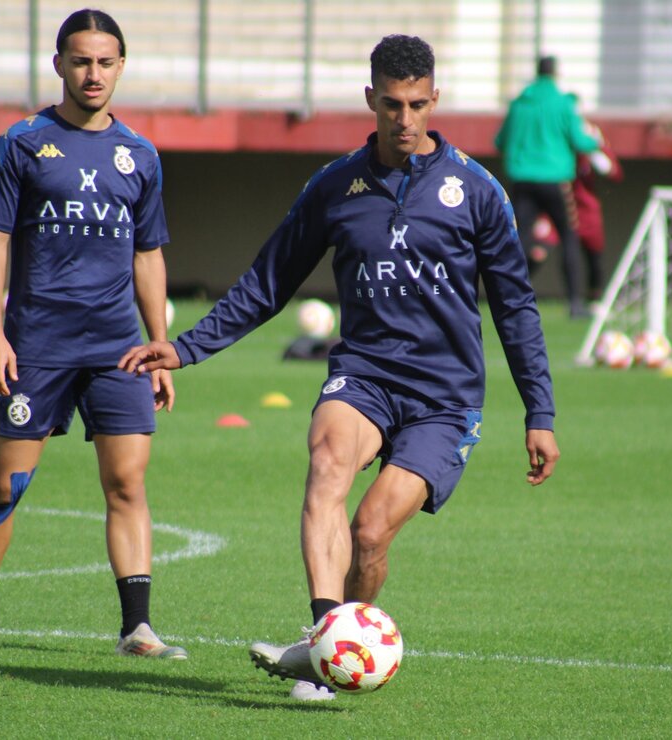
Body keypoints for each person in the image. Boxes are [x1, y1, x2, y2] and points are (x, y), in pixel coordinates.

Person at [120, 34, 559, 700]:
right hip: (365, 376)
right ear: (370, 100)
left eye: (416, 104)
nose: (404, 118)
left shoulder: (476, 191)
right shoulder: (335, 186)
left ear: (434, 99)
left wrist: (540, 413)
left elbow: (517, 308)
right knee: (327, 466)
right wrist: (186, 347)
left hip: (445, 399)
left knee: (371, 531)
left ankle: (329, 648)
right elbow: (268, 282)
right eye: (391, 104)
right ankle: (328, 649)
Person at [0, 8, 185, 661]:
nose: (93, 73)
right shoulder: (21, 143)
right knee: (6, 486)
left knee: (128, 484)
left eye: (106, 62)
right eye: (81, 61)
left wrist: (161, 344)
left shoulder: (140, 154)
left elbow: (149, 254)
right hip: (38, 342)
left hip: (119, 347)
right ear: (59, 65)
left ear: (121, 67)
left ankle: (136, 626)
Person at [494, 55, 599, 318]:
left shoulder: (519, 104)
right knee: (568, 237)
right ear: (555, 74)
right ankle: (575, 303)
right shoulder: (564, 103)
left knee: (520, 240)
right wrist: (595, 141)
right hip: (555, 180)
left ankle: (510, 300)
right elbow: (580, 141)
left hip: (522, 180)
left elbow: (500, 141)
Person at [527, 120, 623, 303]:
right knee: (538, 248)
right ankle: (515, 290)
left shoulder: (593, 152)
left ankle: (594, 297)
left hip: (586, 210)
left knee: (593, 254)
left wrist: (593, 151)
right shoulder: (559, 151)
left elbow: (614, 173)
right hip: (559, 205)